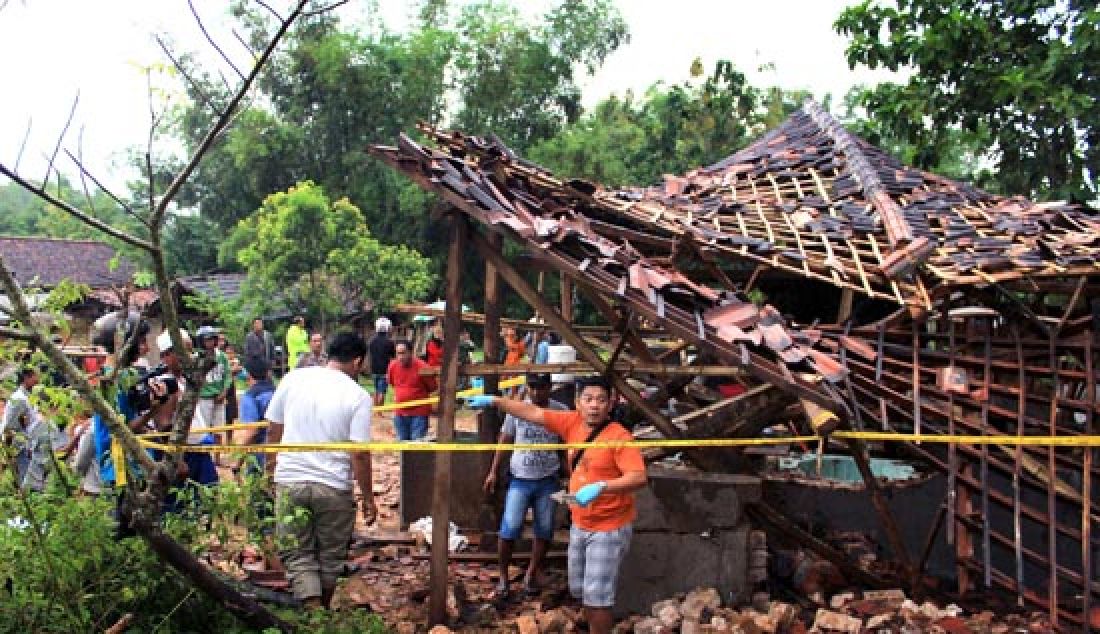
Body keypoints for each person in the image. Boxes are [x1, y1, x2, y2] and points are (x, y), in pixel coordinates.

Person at [466, 376, 647, 634]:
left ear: (611, 404)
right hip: (580, 523)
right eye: (588, 399)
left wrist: (603, 487)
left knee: (597, 598)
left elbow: (639, 477)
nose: (594, 405)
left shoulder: (620, 437)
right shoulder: (571, 422)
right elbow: (532, 412)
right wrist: (495, 400)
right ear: (577, 402)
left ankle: (598, 624)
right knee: (578, 588)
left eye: (601, 400)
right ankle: (591, 618)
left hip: (609, 526)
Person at [267, 331, 377, 609]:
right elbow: (360, 453)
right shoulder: (358, 396)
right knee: (330, 557)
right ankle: (320, 614)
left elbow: (273, 430)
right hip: (333, 487)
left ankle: (312, 612)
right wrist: (368, 498)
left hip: (291, 480)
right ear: (357, 361)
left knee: (297, 553)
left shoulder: (293, 379)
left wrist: (270, 472)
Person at [483, 373, 567, 601]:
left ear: (550, 388)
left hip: (549, 480)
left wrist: (570, 474)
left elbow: (567, 444)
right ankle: (503, 577)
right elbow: (505, 439)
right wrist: (493, 471)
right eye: (533, 387)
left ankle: (531, 573)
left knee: (545, 529)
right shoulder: (517, 409)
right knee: (509, 528)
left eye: (542, 387)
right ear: (528, 388)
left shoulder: (560, 410)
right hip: (520, 478)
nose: (537, 392)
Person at [386, 339, 437, 441]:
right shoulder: (392, 366)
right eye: (398, 353)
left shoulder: (422, 367)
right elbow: (392, 383)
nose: (400, 357)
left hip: (419, 413)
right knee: (402, 444)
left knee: (416, 445)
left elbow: (432, 387)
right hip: (400, 413)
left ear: (411, 352)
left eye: (403, 353)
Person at [233, 358, 276, 476]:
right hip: (282, 454)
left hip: (260, 457)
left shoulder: (250, 397)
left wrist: (238, 463)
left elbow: (252, 432)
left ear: (247, 374)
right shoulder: (277, 392)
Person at [194, 326, 232, 455]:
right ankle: (206, 454)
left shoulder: (222, 357)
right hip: (204, 397)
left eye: (212, 340)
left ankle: (217, 456)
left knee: (218, 428)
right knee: (204, 428)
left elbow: (227, 375)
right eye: (206, 340)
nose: (209, 343)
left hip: (219, 396)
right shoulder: (197, 358)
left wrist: (224, 391)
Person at [1, 367, 41, 483]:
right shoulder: (19, 399)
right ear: (26, 378)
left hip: (25, 443)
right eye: (35, 377)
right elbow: (10, 425)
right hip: (19, 444)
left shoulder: (27, 397)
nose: (37, 380)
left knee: (24, 478)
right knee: (24, 478)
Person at [368, 317, 396, 407]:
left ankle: (376, 410)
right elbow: (393, 356)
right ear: (387, 328)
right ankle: (380, 411)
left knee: (376, 390)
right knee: (382, 391)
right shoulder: (390, 342)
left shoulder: (371, 341)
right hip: (385, 370)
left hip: (374, 368)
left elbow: (371, 354)